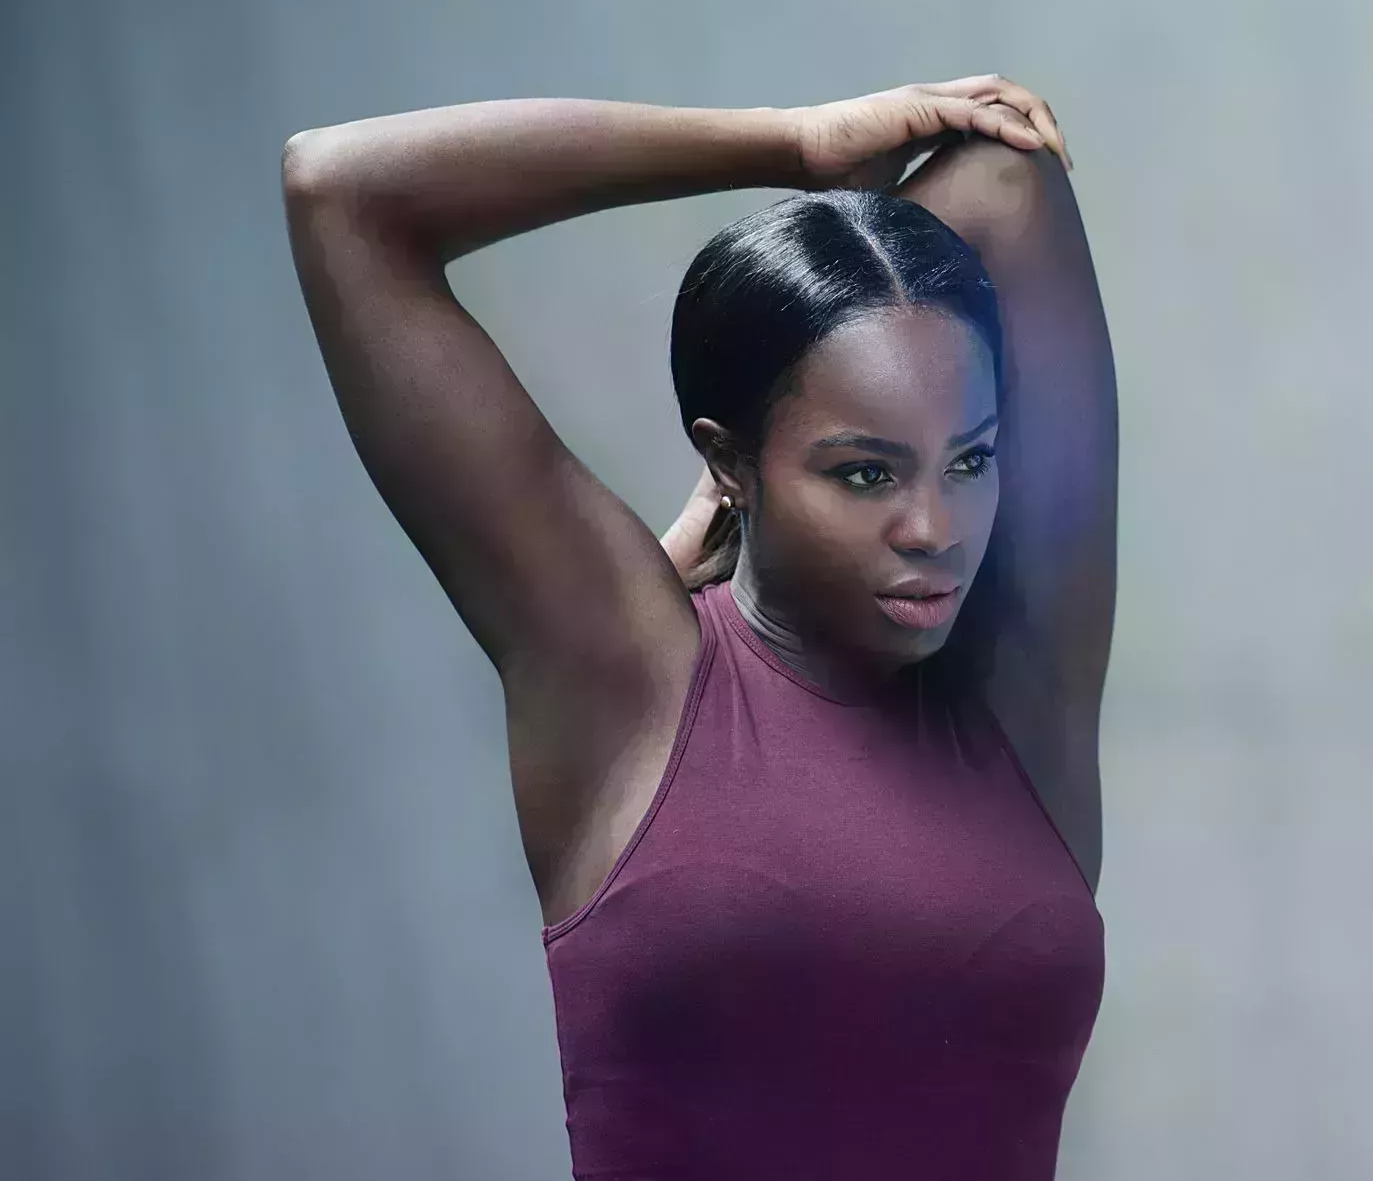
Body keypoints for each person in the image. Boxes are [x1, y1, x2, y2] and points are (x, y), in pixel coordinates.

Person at [280, 76, 1118, 1180]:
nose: (933, 527)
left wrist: (862, 253)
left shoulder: (1023, 688)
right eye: (863, 471)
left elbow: (1009, 181)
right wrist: (794, 146)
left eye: (968, 459)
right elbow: (342, 191)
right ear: (727, 459)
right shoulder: (627, 679)